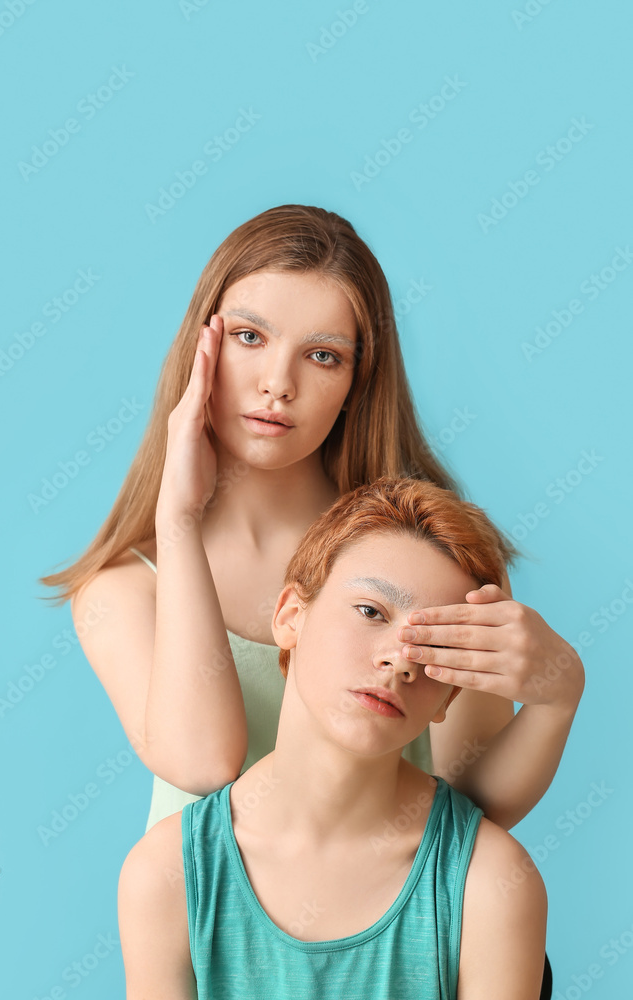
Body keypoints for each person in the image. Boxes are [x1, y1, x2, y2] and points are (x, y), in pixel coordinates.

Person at [39, 204, 584, 835]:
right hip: (209, 928)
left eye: (322, 355)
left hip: (394, 924)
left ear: (358, 380)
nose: (278, 383)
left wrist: (557, 693)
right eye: (249, 337)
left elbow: (472, 799)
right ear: (199, 347)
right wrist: (179, 522)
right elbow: (204, 765)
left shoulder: (429, 553)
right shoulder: (121, 589)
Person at [118, 476, 548, 999]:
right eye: (371, 612)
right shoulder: (166, 875)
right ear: (290, 617)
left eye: (433, 646)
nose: (400, 659)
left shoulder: (491, 882)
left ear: (448, 700)